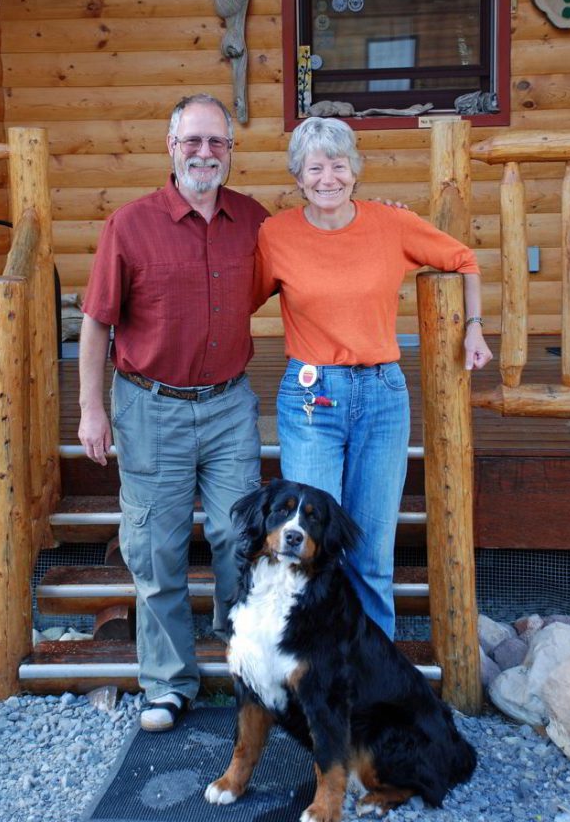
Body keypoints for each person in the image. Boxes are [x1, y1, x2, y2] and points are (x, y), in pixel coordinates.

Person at [252, 116, 492, 641]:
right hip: (313, 399)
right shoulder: (276, 234)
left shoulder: (391, 224)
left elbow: (463, 259)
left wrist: (474, 328)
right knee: (306, 544)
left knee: (372, 552)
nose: (328, 177)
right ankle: (313, 667)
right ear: (298, 176)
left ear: (355, 171)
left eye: (339, 165)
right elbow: (240, 297)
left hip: (382, 396)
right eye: (315, 167)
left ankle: (372, 679)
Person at [78, 94, 268, 732]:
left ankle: (241, 655)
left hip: (228, 406)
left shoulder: (254, 222)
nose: (205, 153)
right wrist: (90, 411)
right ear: (171, 147)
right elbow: (96, 324)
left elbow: (305, 268)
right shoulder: (129, 226)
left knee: (238, 535)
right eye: (194, 141)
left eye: (217, 143)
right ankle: (169, 683)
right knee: (154, 550)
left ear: (230, 153)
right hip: (149, 408)